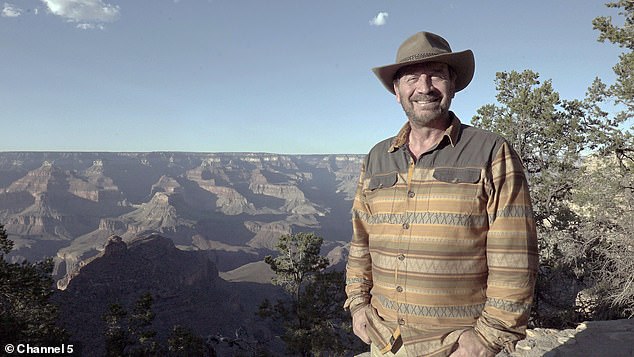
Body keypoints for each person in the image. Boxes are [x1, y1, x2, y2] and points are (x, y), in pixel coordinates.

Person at [344, 31, 538, 357]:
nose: (424, 87)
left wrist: (488, 340)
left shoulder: (491, 152)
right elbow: (360, 241)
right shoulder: (377, 158)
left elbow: (515, 258)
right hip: (384, 342)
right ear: (396, 91)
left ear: (452, 84)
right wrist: (358, 303)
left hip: (456, 347)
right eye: (411, 78)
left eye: (436, 75)